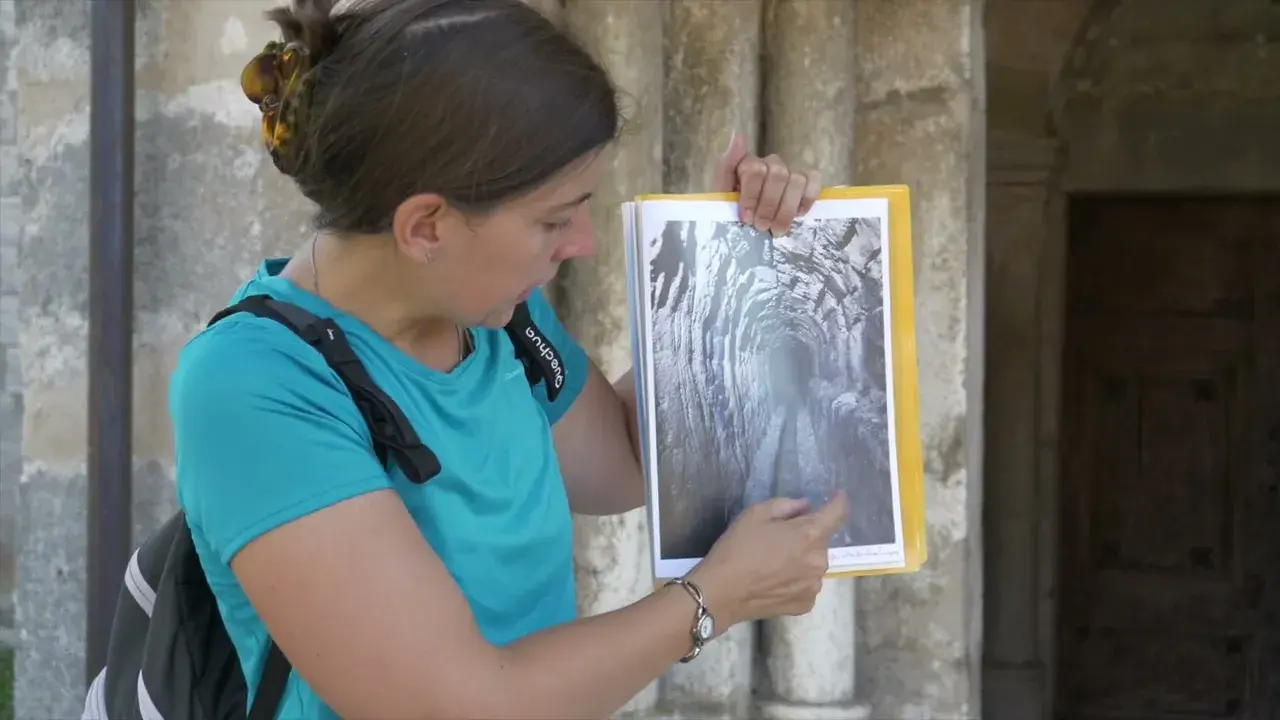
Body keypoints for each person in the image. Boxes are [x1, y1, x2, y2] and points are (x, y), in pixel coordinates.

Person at [169, 0, 849, 717]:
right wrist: (712, 599)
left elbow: (622, 459)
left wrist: (727, 266)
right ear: (426, 226)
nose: (581, 243)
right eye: (554, 218)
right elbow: (458, 705)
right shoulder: (254, 388)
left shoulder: (494, 320)